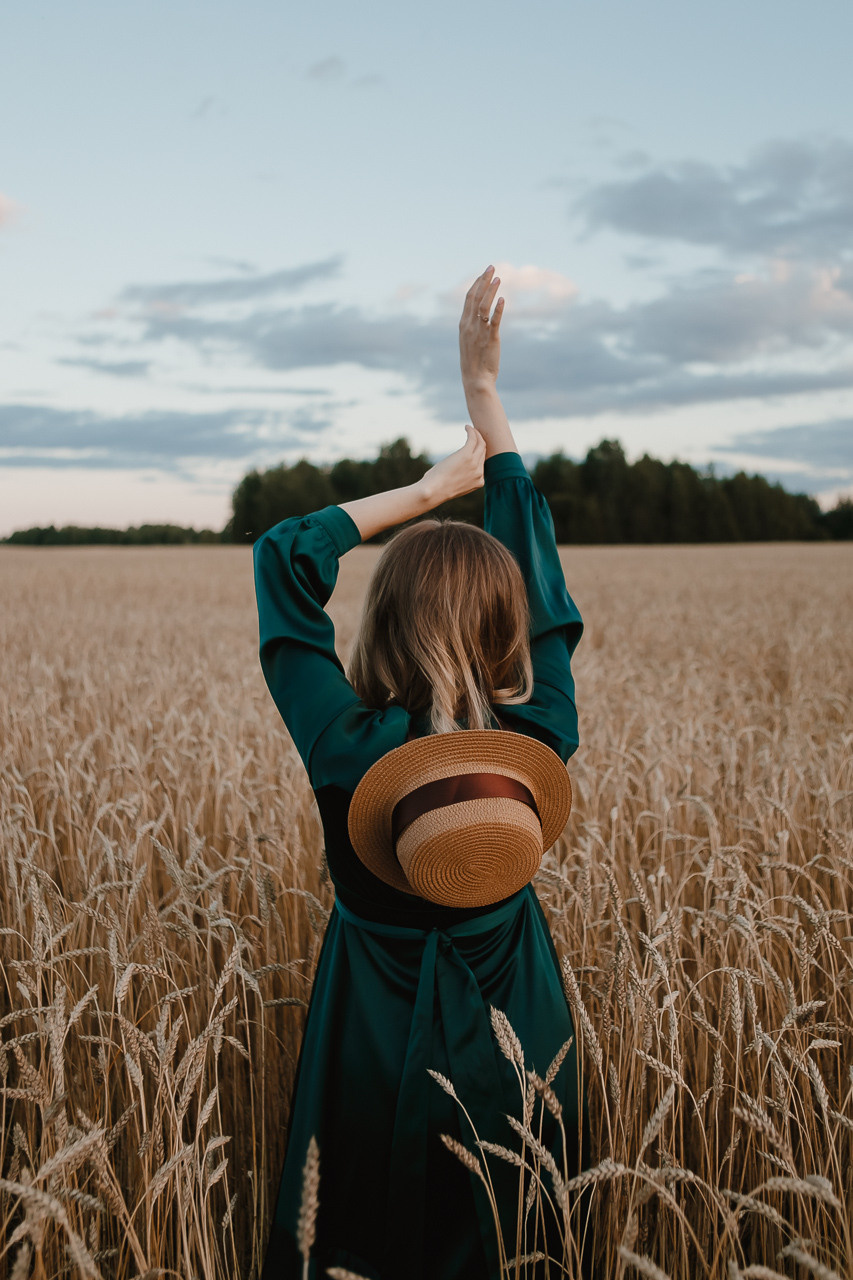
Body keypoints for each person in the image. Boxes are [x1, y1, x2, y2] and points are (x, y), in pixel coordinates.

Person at [254, 265, 590, 1279]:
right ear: (506, 631)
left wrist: (428, 491)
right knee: (512, 1221)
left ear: (384, 621)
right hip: (517, 1027)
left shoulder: (346, 749)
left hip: (368, 1025)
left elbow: (281, 560)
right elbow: (543, 594)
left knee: (351, 1216)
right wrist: (486, 402)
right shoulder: (544, 733)